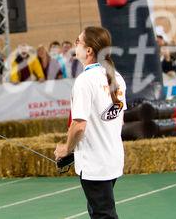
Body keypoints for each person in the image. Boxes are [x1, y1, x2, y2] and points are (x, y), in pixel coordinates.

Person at [54, 26, 127, 219]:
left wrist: (66, 149)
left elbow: (79, 125)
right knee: (99, 211)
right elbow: (118, 120)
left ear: (89, 50)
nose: (75, 44)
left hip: (95, 163)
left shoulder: (85, 81)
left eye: (78, 41)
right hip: (112, 158)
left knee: (103, 215)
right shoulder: (117, 77)